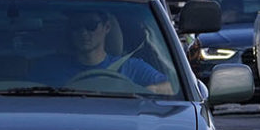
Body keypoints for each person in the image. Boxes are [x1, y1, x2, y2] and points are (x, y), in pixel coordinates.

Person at [41, 7, 173, 94]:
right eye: (76, 26)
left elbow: (172, 87)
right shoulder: (50, 69)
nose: (83, 32)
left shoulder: (131, 67)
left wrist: (143, 91)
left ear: (107, 27)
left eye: (91, 25)